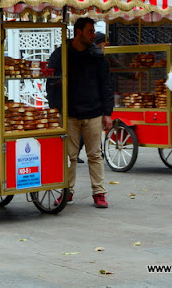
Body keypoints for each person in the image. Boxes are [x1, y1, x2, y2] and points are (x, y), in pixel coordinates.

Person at [46, 18, 114, 208]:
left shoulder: (97, 56)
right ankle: (67, 191)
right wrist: (56, 108)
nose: (94, 35)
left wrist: (107, 113)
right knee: (69, 156)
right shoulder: (60, 55)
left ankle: (99, 192)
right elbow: (50, 84)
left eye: (93, 31)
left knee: (95, 154)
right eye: (90, 31)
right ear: (78, 32)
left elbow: (106, 85)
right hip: (69, 114)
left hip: (93, 112)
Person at [76, 31, 109, 164]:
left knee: (90, 129)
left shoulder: (102, 56)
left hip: (97, 98)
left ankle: (96, 152)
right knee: (88, 129)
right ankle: (94, 152)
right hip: (90, 100)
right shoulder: (94, 54)